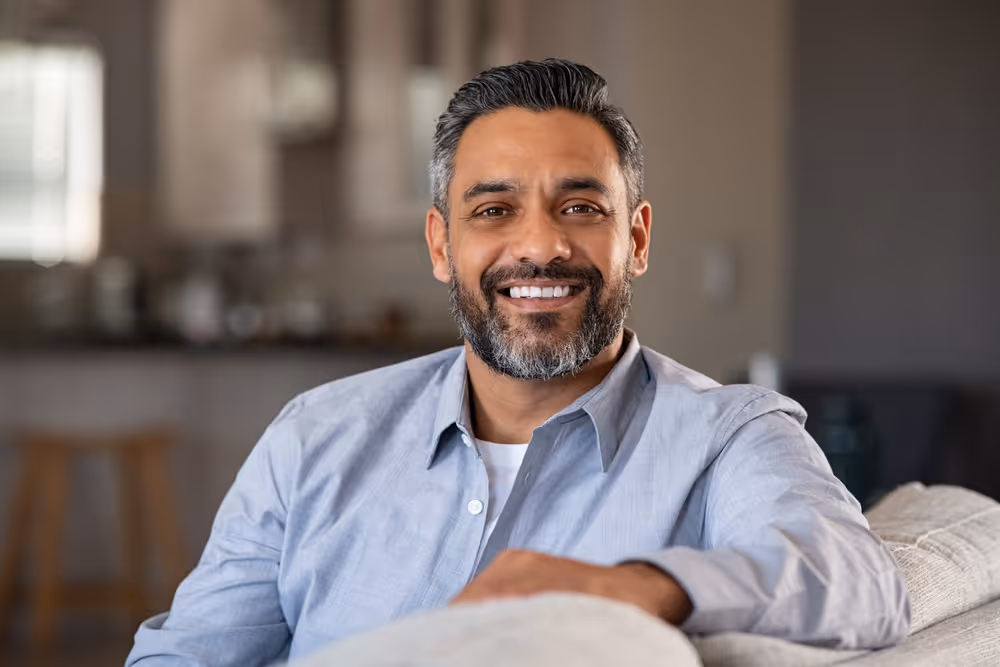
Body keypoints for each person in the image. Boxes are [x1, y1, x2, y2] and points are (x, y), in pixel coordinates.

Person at [126, 59, 909, 666]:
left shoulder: (729, 435)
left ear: (636, 239)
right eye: (494, 210)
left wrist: (631, 585)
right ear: (441, 245)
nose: (540, 244)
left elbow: (861, 582)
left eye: (581, 207)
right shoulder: (314, 437)